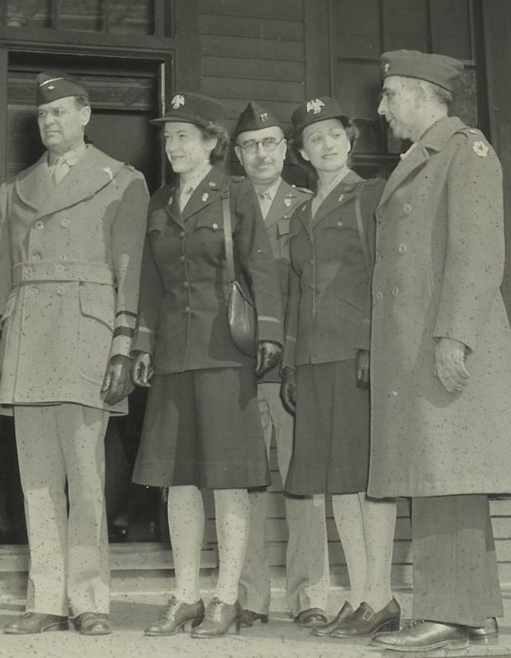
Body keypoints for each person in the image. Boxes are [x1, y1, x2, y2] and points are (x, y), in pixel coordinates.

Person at [366, 50, 511, 653]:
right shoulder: (424, 158)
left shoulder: (464, 150)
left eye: (390, 96)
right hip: (417, 343)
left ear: (421, 94)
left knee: (448, 477)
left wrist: (455, 336)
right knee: (439, 476)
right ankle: (468, 612)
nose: (381, 108)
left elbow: (478, 251)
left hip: (442, 342)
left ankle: (448, 613)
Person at [0, 71, 149, 637]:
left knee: (86, 476)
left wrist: (123, 345)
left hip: (85, 333)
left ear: (85, 115)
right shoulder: (15, 189)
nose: (50, 122)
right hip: (28, 337)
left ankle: (90, 598)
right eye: (43, 115)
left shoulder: (121, 181)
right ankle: (45, 598)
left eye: (60, 112)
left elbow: (131, 270)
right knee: (37, 479)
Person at [131, 91, 284, 639]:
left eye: (183, 136)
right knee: (179, 482)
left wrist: (269, 334)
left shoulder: (236, 195)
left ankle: (225, 599)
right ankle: (186, 596)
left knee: (227, 480)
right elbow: (151, 282)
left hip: (225, 355)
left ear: (211, 143)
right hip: (174, 354)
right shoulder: (157, 203)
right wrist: (143, 345)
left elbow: (261, 270)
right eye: (167, 137)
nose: (172, 146)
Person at [279, 96, 400, 642]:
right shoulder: (301, 213)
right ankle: (359, 596)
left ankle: (381, 595)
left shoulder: (368, 196)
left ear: (350, 140)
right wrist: (289, 359)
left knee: (367, 480)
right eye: (313, 138)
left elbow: (383, 276)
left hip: (356, 354)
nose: (325, 145)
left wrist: (375, 344)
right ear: (300, 152)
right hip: (312, 357)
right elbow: (297, 290)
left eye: (333, 134)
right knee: (336, 483)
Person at [230, 102, 330, 630]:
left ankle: (309, 594)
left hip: (293, 367)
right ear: (237, 154)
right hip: (238, 365)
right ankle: (249, 595)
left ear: (286, 150)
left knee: (302, 480)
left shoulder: (308, 205)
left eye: (270, 143)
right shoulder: (222, 204)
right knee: (244, 483)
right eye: (249, 145)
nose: (261, 154)